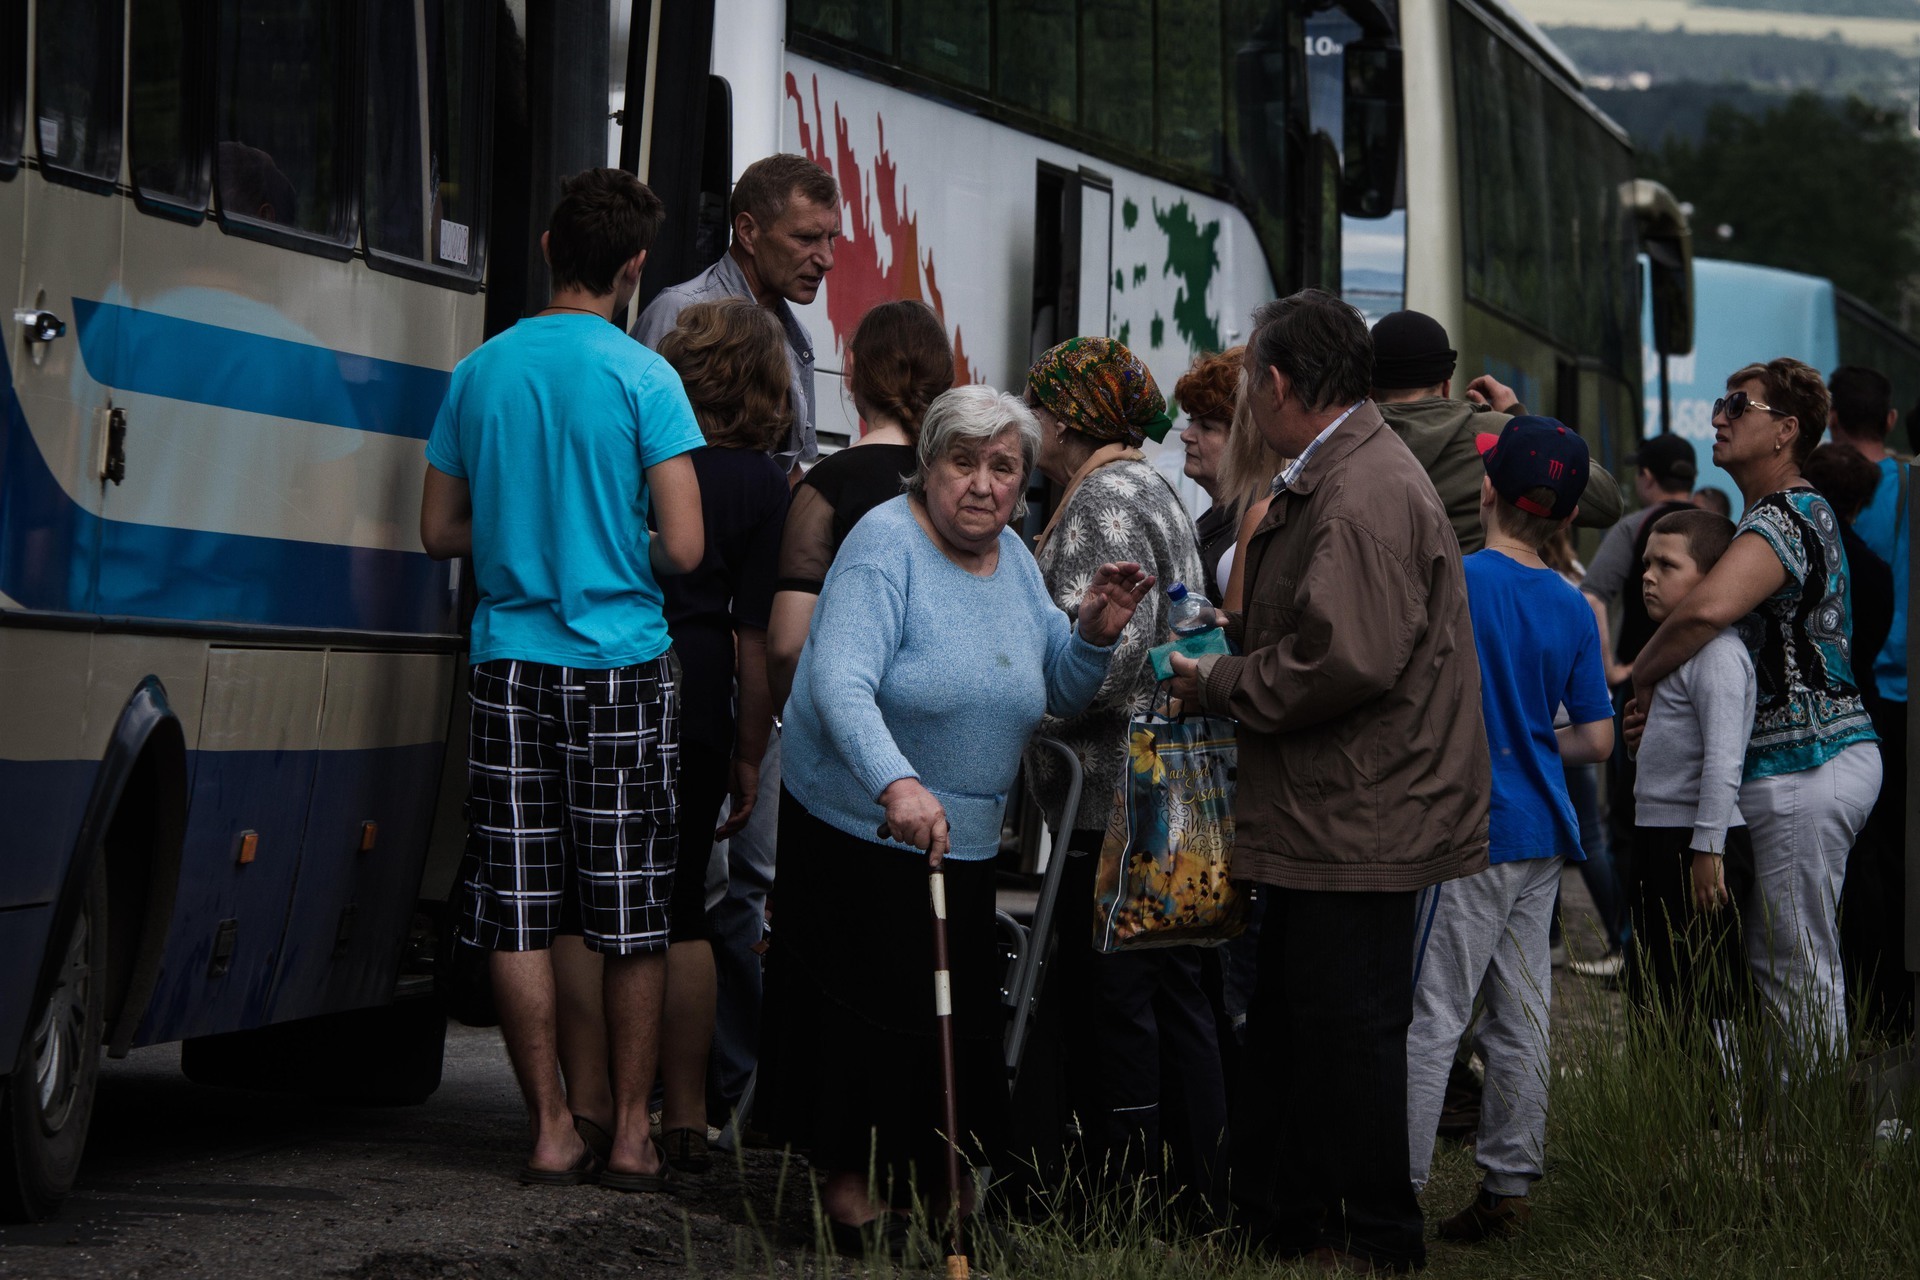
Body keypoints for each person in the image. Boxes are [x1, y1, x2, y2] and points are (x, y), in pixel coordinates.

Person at [755, 386, 1153, 1256]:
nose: (982, 484)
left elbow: (1053, 686)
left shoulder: (1011, 556)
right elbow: (839, 681)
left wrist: (1090, 632)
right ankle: (849, 1198)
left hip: (961, 836)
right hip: (858, 824)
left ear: (1021, 480)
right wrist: (896, 783)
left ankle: (937, 1192)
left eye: (1002, 466)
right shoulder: (884, 545)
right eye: (962, 463)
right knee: (867, 1017)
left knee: (950, 1019)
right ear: (928, 468)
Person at [1167, 290, 1490, 1274]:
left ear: (1276, 382)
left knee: (1348, 1030)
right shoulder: (1352, 471)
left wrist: (1219, 677)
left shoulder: (1360, 491)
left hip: (1363, 811)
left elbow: (1342, 658)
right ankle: (1290, 1214)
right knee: (1303, 1019)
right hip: (1338, 804)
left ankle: (1370, 1236)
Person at [419, 169, 705, 1188]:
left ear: (545, 247)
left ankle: (548, 1125)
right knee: (630, 907)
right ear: (633, 268)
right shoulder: (645, 378)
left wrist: (522, 532)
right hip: (621, 662)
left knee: (520, 899)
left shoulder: (480, 373)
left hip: (508, 661)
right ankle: (631, 1130)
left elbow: (438, 530)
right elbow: (685, 540)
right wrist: (612, 533)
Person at [1018, 337, 1225, 1210]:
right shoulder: (1155, 487)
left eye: (1039, 409)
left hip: (1109, 797)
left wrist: (1027, 701)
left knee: (1118, 1000)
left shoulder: (1101, 499)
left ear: (1065, 416)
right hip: (1166, 788)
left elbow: (1110, 655)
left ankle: (1124, 1191)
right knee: (1173, 995)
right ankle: (1198, 1188)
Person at [1629, 359, 1882, 1068]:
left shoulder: (1785, 515)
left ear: (1786, 431)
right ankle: (1789, 1139)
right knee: (1779, 963)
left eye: (1738, 405)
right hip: (1803, 762)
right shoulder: (1782, 514)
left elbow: (1705, 610)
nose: (1719, 417)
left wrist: (1637, 679)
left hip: (1809, 761)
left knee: (1796, 964)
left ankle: (1813, 1149)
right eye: (1720, 403)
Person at [1405, 417, 1616, 1244]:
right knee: (1522, 1017)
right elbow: (1596, 741)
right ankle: (1510, 1187)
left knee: (1432, 1013)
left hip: (1467, 829)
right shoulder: (1573, 604)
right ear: (1564, 519)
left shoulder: (1454, 580)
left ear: (1485, 491)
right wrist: (1535, 739)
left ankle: (1397, 1189)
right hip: (1542, 836)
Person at [648, 299, 794, 1171]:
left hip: (617, 676)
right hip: (703, 697)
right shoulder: (764, 485)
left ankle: (602, 1105)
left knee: (597, 903)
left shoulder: (649, 462)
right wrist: (750, 753)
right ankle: (687, 1115)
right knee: (684, 909)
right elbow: (753, 638)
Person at [767, 300, 956, 709]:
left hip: (848, 731)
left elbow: (788, 647)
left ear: (852, 373)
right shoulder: (965, 488)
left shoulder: (828, 484)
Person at [633, 153, 841, 479]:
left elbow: (788, 471)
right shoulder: (679, 312)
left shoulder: (797, 339)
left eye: (832, 238)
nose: (826, 259)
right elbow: (632, 452)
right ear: (747, 232)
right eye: (806, 238)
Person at [1578, 432, 1702, 977]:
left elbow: (1592, 594)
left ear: (1647, 478)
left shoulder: (1635, 528)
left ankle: (1633, 947)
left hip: (1644, 687)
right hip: (1701, 683)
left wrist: (1613, 668)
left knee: (1631, 817)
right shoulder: (1713, 528)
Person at [1628, 509, 1755, 1027]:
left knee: (1706, 998)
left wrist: (1708, 847)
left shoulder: (1718, 654)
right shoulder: (1675, 655)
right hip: (1659, 833)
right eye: (1646, 563)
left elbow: (1725, 758)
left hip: (1696, 845)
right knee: (1659, 994)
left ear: (1711, 579)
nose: (1648, 575)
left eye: (1667, 565)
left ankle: (1717, 1110)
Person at [1368, 309, 1622, 553]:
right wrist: (1519, 419)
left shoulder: (1342, 440)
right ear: (1446, 385)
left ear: (1370, 390)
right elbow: (1606, 503)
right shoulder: (1500, 436)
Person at [1803, 441, 1904, 1039]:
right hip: (1861, 717)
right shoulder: (1874, 568)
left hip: (1802, 728)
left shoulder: (1794, 552)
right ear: (1863, 502)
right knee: (1863, 865)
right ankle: (1870, 1004)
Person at [1826, 365, 1913, 1040]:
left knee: (1863, 855)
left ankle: (1869, 1003)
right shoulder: (1907, 484)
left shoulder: (1828, 496)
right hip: (1907, 690)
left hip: (1860, 692)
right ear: (1887, 420)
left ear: (1831, 419)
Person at [1174, 347, 1247, 597]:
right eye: (1189, 421)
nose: (1186, 435)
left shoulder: (1246, 537)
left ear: (1246, 441)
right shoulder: (1218, 524)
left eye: (1206, 426)